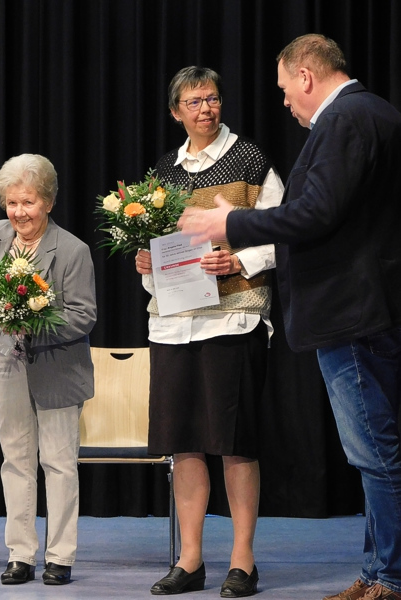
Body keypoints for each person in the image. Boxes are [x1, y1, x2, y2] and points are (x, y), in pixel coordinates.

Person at [179, 34, 401, 600]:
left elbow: (315, 212)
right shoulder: (371, 112)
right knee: (375, 454)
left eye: (284, 88)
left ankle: (389, 578)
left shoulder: (345, 118)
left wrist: (233, 224)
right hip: (364, 307)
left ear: (306, 76)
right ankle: (377, 573)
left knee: (376, 454)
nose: (284, 101)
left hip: (353, 312)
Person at [135, 66, 283, 597]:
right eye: (195, 101)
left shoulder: (250, 159)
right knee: (184, 445)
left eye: (213, 98)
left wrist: (239, 261)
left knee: (235, 442)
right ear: (176, 112)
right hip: (174, 323)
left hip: (233, 317)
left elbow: (283, 231)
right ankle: (191, 559)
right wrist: (147, 263)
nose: (206, 108)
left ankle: (243, 560)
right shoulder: (164, 172)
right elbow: (157, 241)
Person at [0, 154, 97, 585]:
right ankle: (20, 554)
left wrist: (32, 323)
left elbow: (84, 316)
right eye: (12, 202)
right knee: (15, 461)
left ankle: (60, 556)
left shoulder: (72, 250)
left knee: (58, 463)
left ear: (47, 202)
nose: (19, 212)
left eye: (28, 202)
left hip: (58, 369)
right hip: (10, 367)